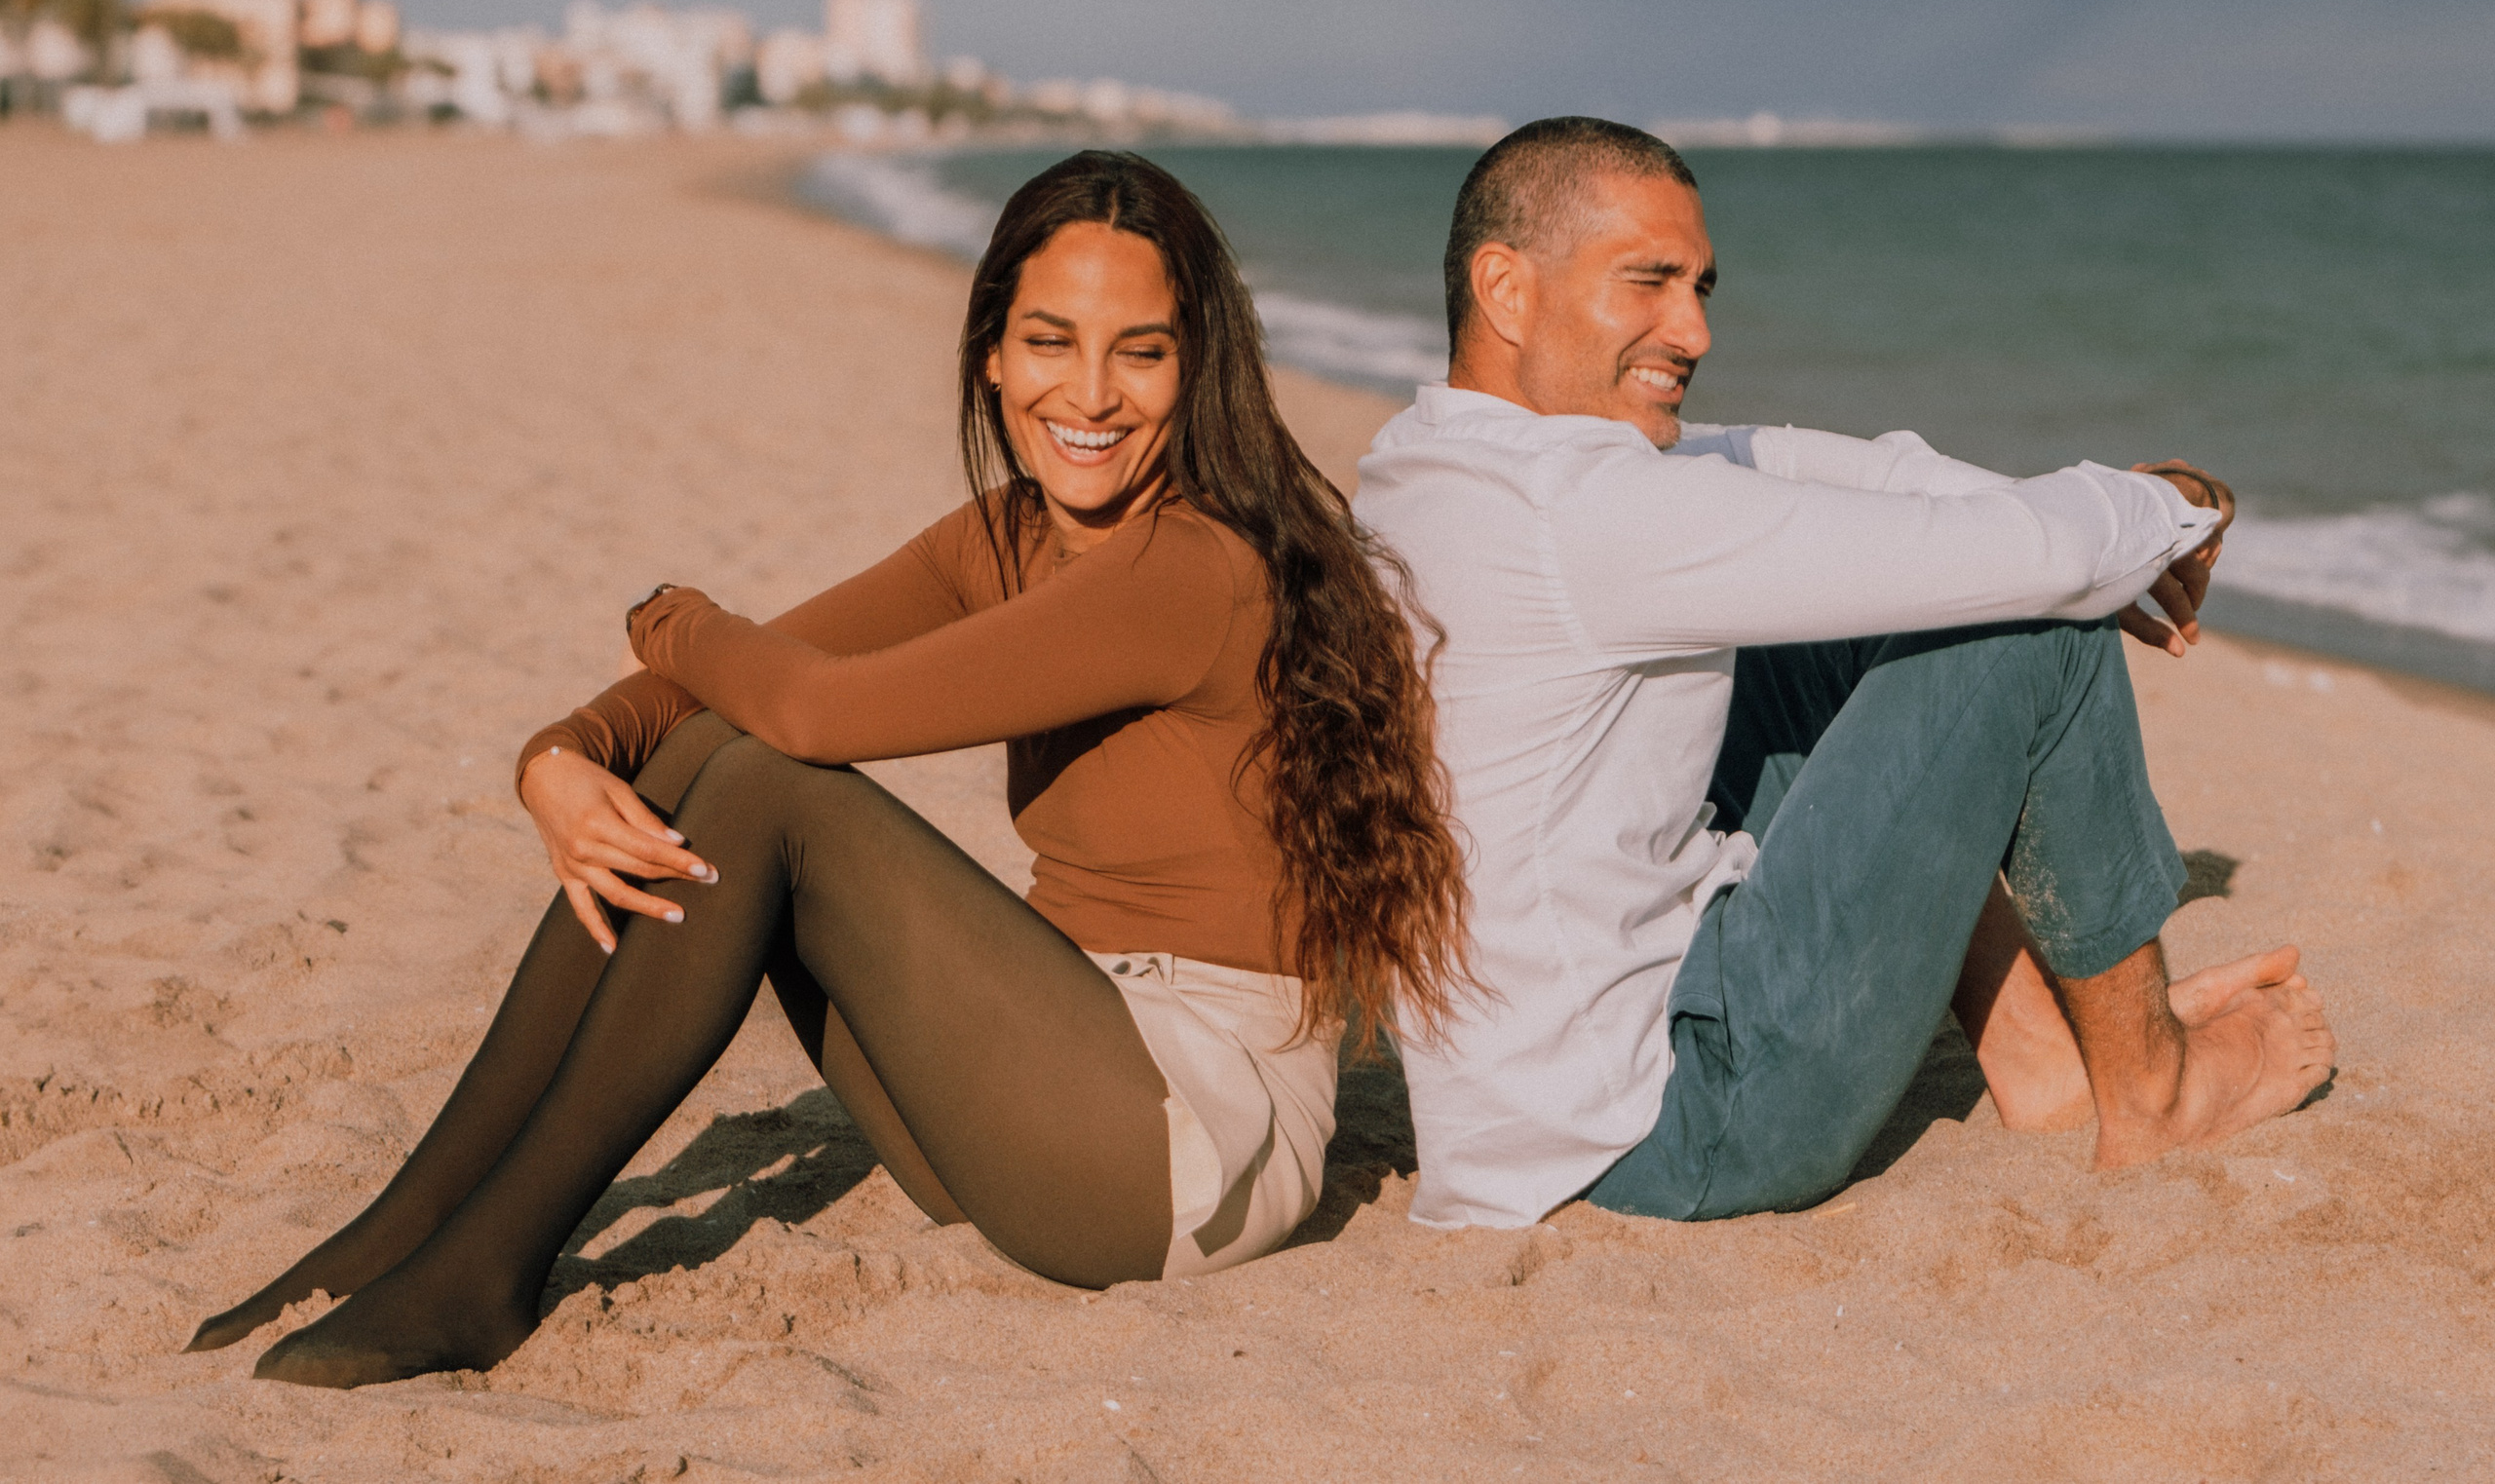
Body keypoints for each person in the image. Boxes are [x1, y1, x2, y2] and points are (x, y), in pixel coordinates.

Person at [185, 150, 1470, 1387]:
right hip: (1034, 1098)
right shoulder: (1005, 534)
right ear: (991, 351)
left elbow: (810, 705)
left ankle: (481, 1265)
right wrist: (559, 758)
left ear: (1200, 372)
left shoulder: (1196, 566)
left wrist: (663, 608)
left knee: (770, 777)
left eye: (1142, 351)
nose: (1090, 393)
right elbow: (725, 692)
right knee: (707, 751)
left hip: (1183, 1142)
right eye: (1049, 341)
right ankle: (411, 1221)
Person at [1353, 117, 2335, 1231]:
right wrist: (2167, 509)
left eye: (1702, 288)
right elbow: (2044, 560)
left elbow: (1818, 470)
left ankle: (2039, 1060)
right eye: (1650, 282)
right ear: (1506, 288)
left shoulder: (1427, 468)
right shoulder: (1586, 515)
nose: (1694, 328)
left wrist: (2102, 519)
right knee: (2037, 627)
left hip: (1532, 1112)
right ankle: (2153, 1085)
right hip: (1679, 1131)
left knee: (1822, 630)